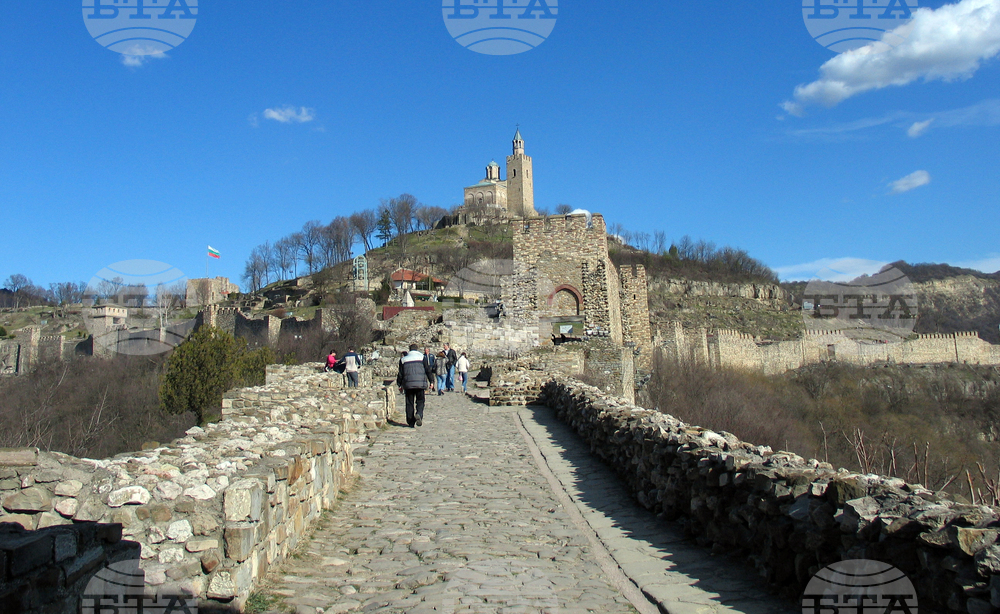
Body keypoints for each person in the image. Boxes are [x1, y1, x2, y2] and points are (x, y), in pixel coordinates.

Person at [397, 344, 432, 427]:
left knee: (409, 403)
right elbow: (428, 370)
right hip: (420, 383)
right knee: (420, 401)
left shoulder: (403, 359)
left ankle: (411, 421)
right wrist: (432, 381)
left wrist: (399, 384)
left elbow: (400, 374)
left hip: (408, 384)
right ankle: (419, 413)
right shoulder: (422, 357)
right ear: (417, 349)